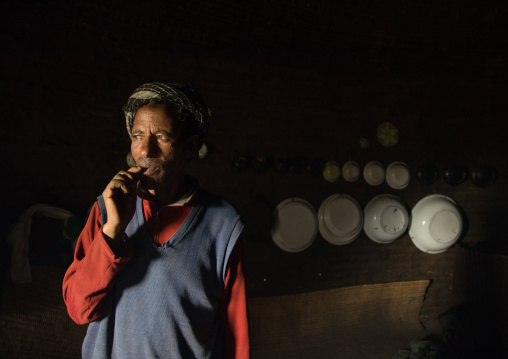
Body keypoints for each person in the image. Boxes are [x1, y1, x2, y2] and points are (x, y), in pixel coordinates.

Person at [62, 82, 250, 359]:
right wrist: (113, 230)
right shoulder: (106, 209)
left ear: (190, 146)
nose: (146, 150)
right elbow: (80, 310)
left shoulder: (223, 224)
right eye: (138, 136)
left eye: (161, 136)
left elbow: (236, 333)